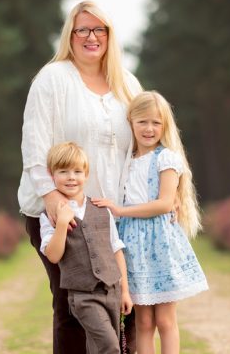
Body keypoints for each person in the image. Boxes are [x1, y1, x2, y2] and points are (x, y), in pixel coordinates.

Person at [18, 0, 142, 354]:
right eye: (82, 30)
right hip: (65, 214)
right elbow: (34, 144)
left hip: (113, 216)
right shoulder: (53, 79)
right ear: (70, 36)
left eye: (99, 29)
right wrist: (54, 200)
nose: (91, 37)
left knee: (122, 305)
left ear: (109, 35)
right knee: (75, 305)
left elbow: (144, 142)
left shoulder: (127, 84)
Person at [92, 91, 209, 354]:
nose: (149, 128)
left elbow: (165, 203)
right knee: (143, 321)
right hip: (133, 247)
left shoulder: (166, 158)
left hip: (159, 245)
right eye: (142, 121)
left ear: (164, 126)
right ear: (131, 122)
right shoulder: (126, 160)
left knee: (165, 320)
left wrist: (121, 211)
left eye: (156, 123)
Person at [39, 142, 133, 354]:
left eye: (77, 171)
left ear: (86, 174)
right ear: (51, 174)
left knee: (96, 347)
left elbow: (116, 250)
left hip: (112, 291)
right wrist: (62, 223)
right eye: (63, 171)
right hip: (83, 296)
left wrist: (125, 291)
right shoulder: (48, 216)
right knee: (110, 347)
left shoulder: (101, 209)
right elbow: (53, 256)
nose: (71, 177)